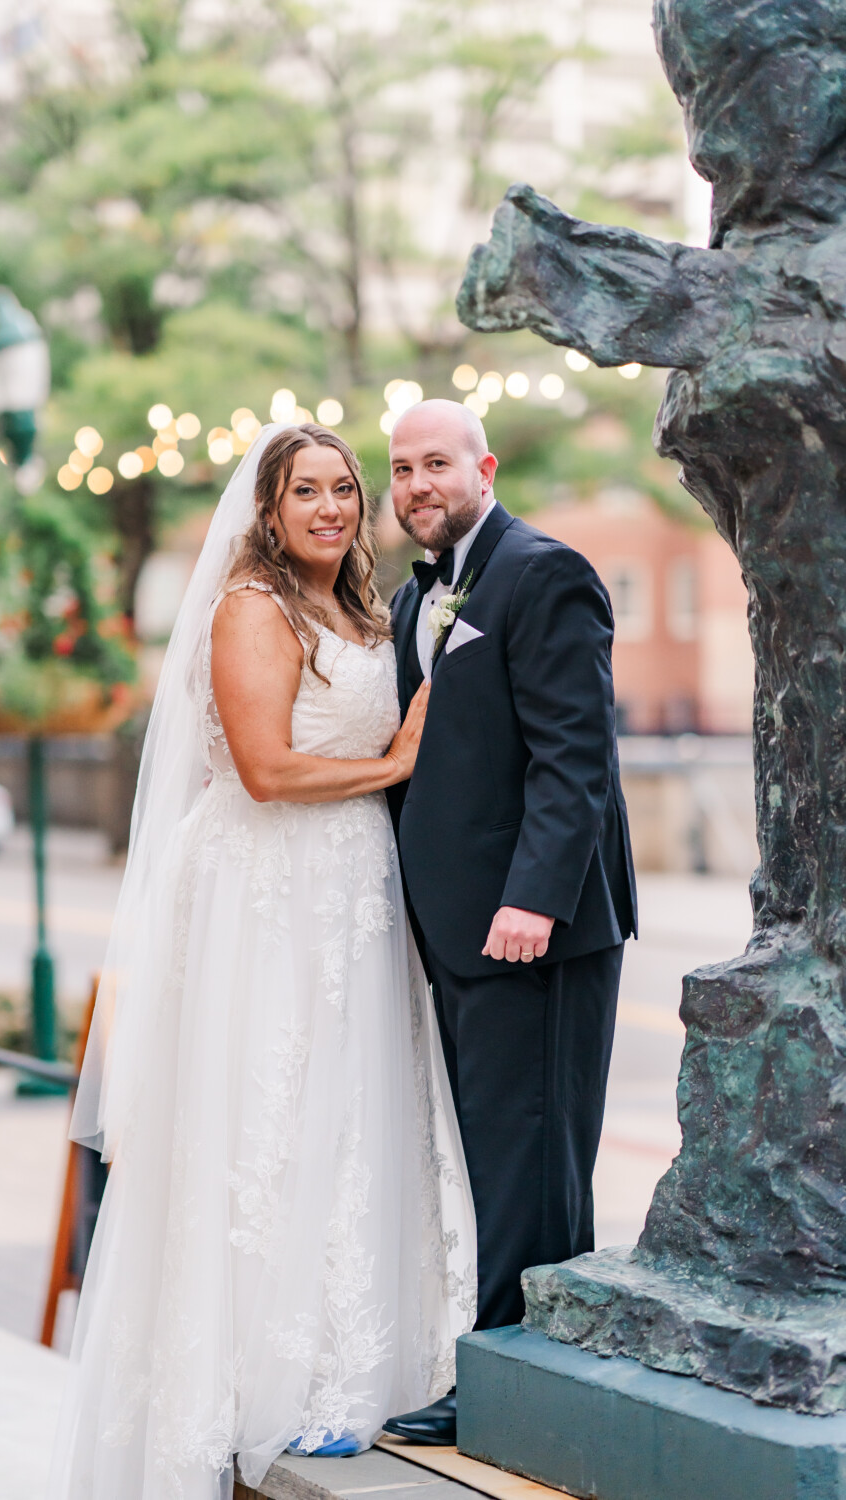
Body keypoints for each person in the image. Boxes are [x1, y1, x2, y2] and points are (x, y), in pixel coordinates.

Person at [48, 423, 475, 1500]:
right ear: (269, 511)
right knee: (266, 1121)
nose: (330, 508)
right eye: (305, 492)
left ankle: (350, 1362)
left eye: (343, 488)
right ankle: (249, 1376)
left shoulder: (363, 607)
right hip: (266, 894)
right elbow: (267, 770)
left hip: (354, 892)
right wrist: (397, 761)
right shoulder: (254, 609)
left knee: (352, 1114)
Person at [382, 399, 637, 1446]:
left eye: (435, 463)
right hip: (457, 934)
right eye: (400, 470)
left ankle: (507, 1379)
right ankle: (533, 1369)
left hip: (530, 929)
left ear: (482, 465)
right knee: (504, 1156)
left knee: (533, 1157)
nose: (415, 487)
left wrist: (529, 897)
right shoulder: (418, 595)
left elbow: (575, 754)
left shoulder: (543, 572)